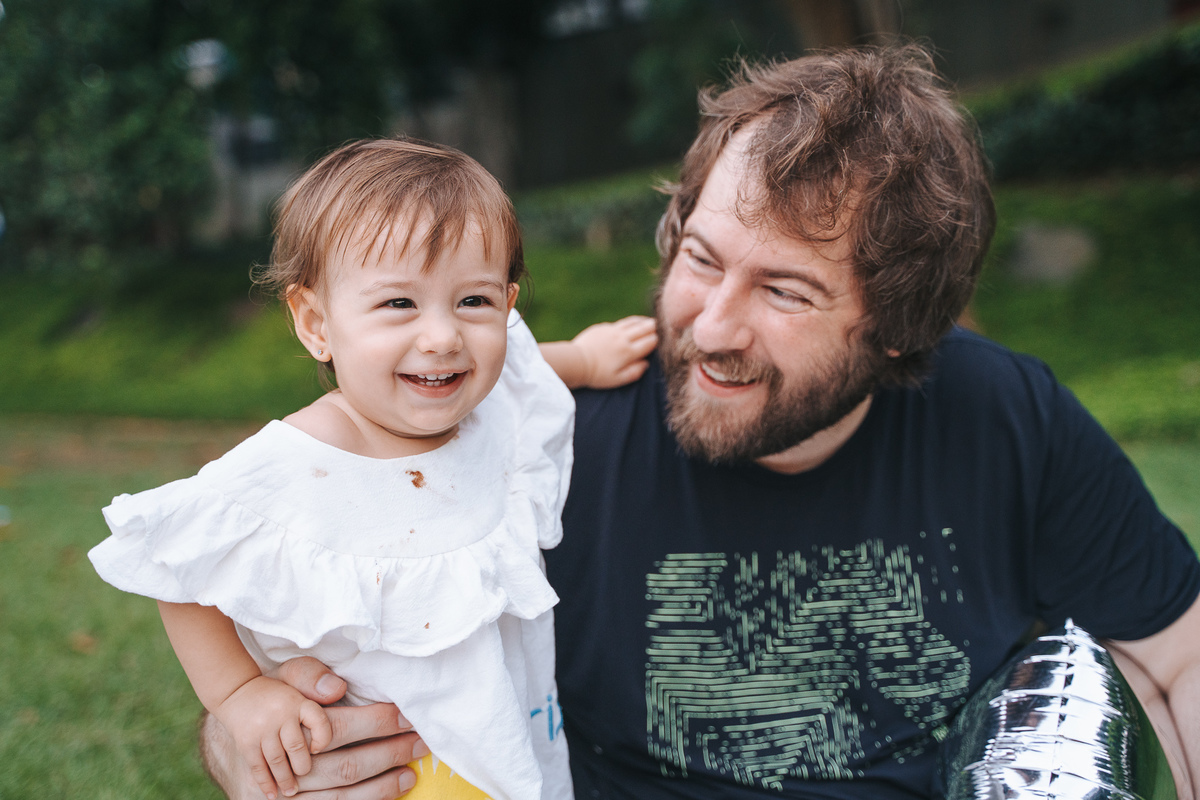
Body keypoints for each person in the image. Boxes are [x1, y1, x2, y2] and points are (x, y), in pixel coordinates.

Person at [203, 44, 1200, 799]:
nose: (712, 326)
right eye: (703, 257)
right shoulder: (544, 435)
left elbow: (1178, 656)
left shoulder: (1006, 420)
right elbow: (292, 642)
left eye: (787, 292)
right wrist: (245, 738)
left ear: (899, 331)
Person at [89, 138, 656, 800]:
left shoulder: (489, 415)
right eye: (399, 304)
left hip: (512, 742)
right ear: (316, 323)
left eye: (473, 302)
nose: (443, 335)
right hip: (391, 771)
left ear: (507, 304)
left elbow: (527, 373)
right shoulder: (301, 459)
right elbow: (180, 562)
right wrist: (240, 695)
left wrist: (585, 358)